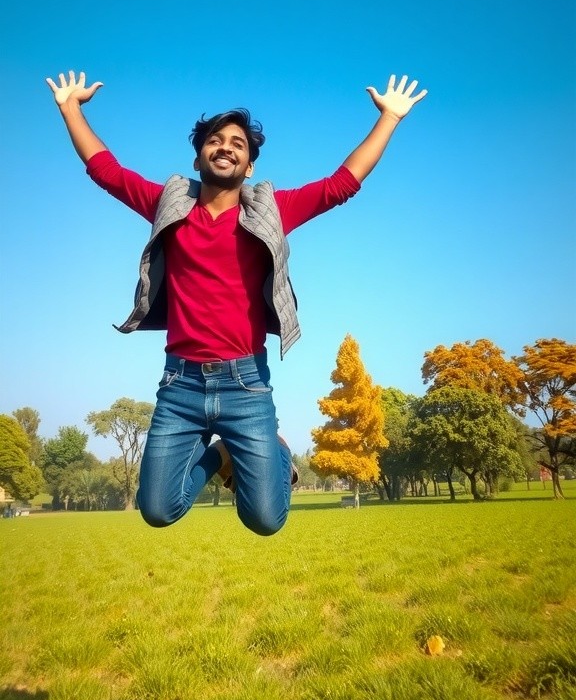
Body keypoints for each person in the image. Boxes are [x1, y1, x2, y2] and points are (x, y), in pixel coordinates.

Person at [46, 70, 427, 535]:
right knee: (158, 509)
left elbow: (340, 185)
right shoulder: (171, 203)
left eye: (237, 144)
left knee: (265, 519)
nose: (225, 146)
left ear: (249, 167)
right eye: (215, 140)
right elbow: (107, 172)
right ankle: (220, 452)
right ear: (199, 154)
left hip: (245, 385)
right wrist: (70, 108)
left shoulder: (269, 209)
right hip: (180, 384)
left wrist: (389, 117)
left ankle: (275, 453)